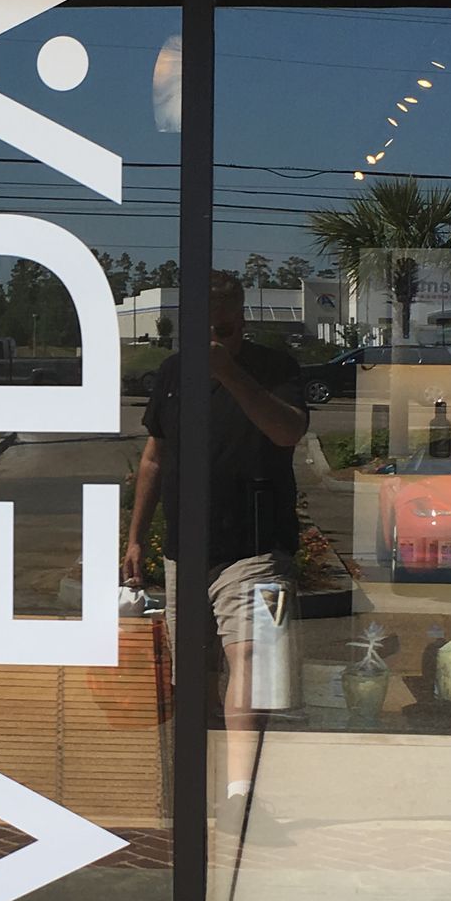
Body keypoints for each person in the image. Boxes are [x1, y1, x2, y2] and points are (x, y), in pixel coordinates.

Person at [124, 271, 309, 815]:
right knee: (192, 674)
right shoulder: (174, 373)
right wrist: (136, 537)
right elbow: (155, 457)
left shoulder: (276, 369)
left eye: (224, 327)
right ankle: (194, 785)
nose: (214, 338)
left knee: (253, 659)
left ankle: (241, 792)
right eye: (204, 327)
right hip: (186, 548)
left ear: (242, 319)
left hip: (258, 546)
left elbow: (287, 432)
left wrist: (231, 374)